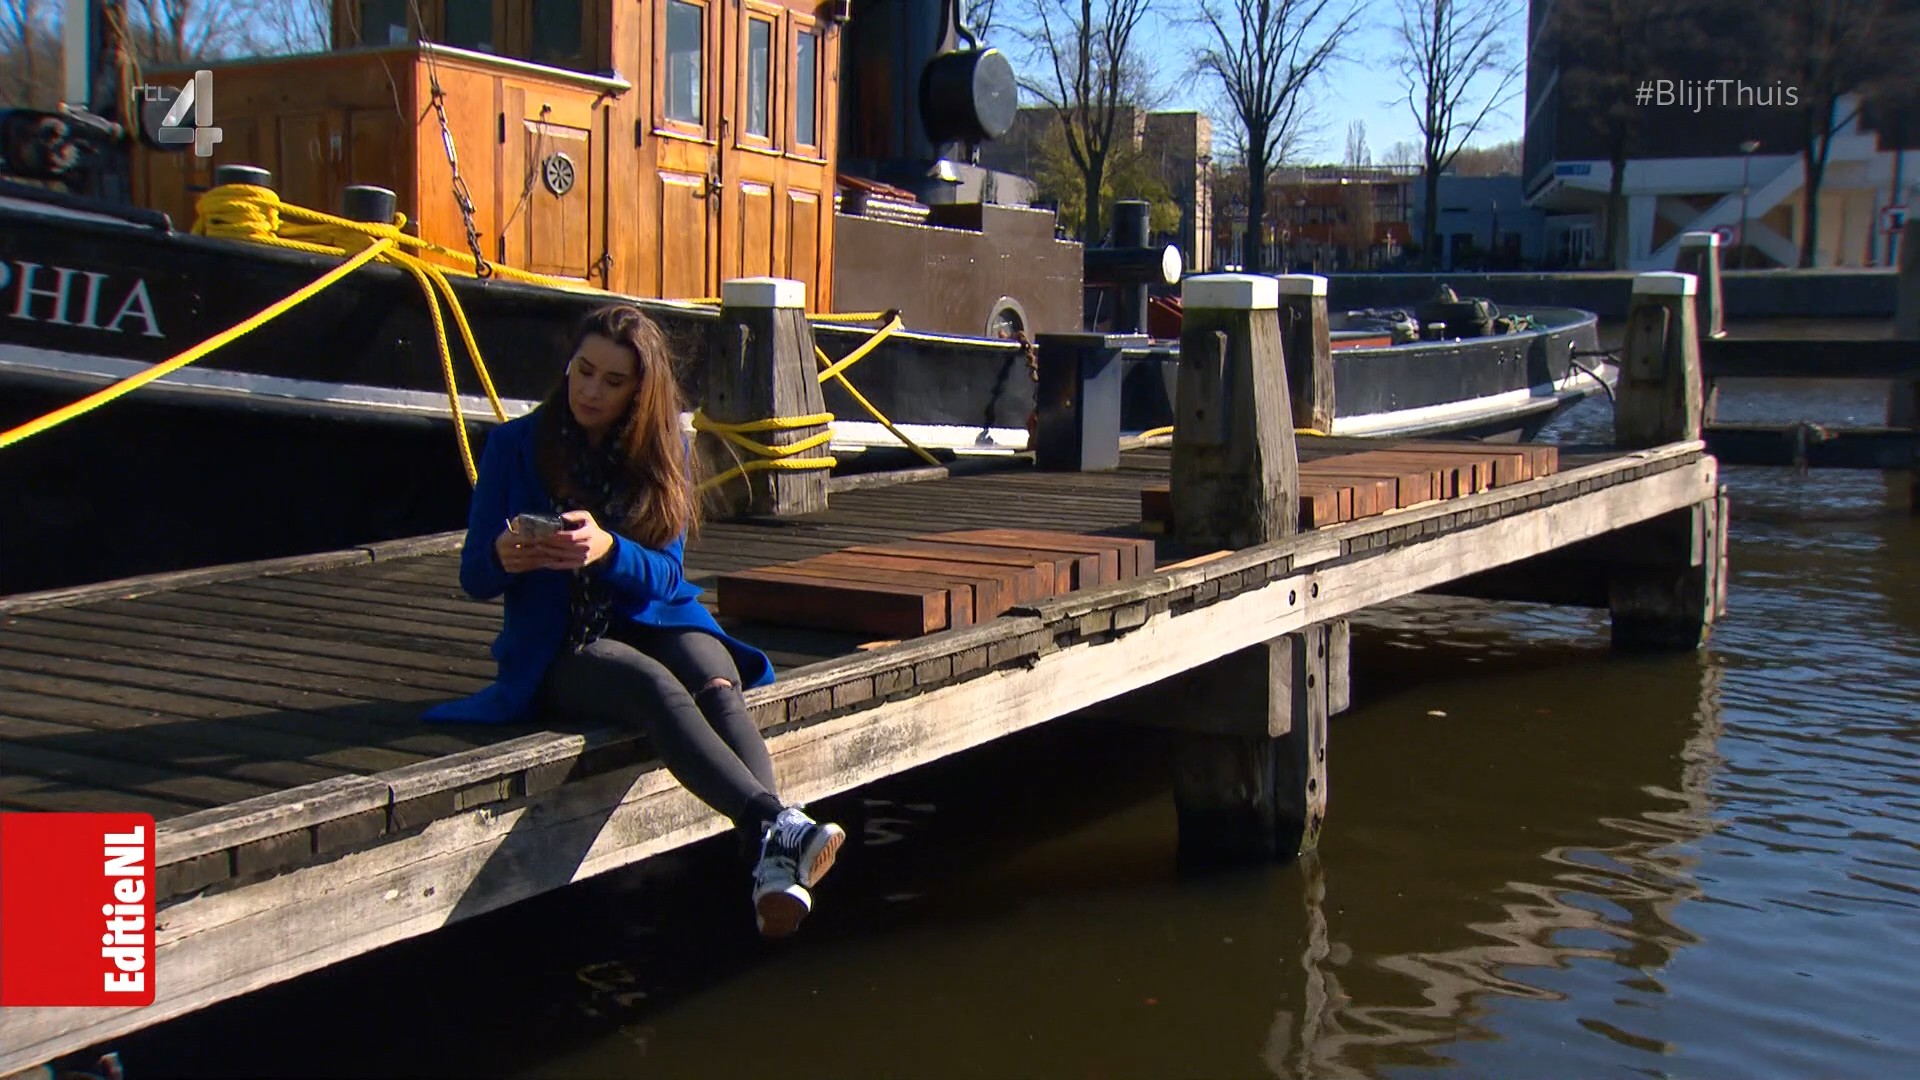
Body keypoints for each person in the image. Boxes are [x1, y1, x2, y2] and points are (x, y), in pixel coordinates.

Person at [423, 302, 844, 939]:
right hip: (565, 639)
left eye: (612, 381)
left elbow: (668, 577)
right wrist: (503, 556)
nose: (591, 390)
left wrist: (608, 549)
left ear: (639, 393)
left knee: (717, 677)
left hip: (653, 616)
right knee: (653, 686)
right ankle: (776, 825)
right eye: (583, 370)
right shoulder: (514, 446)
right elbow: (473, 578)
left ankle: (771, 853)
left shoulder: (664, 448)